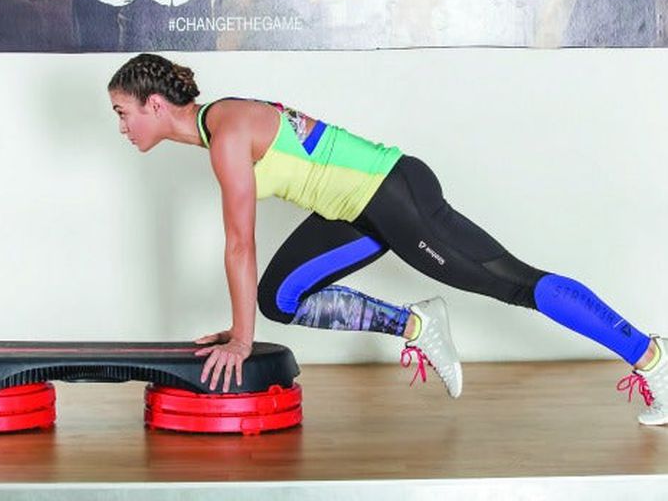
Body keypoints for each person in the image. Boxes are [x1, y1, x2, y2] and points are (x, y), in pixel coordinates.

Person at [107, 53, 666, 425]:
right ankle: (418, 324)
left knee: (515, 283)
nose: (123, 127)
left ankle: (651, 357)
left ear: (155, 105)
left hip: (394, 196)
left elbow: (239, 244)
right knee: (279, 297)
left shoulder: (226, 131)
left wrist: (242, 343)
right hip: (355, 209)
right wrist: (243, 329)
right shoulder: (221, 125)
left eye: (123, 113)